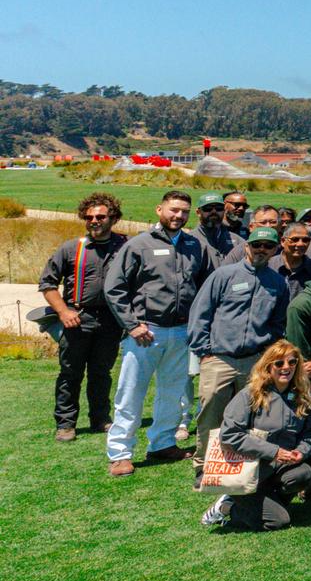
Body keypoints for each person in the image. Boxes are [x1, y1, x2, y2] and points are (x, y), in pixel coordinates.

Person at [103, 190, 211, 476]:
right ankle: (120, 453)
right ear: (159, 210)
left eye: (184, 211)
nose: (179, 216)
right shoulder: (139, 245)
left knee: (172, 392)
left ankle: (162, 444)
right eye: (173, 210)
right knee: (130, 394)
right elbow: (114, 288)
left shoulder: (194, 245)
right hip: (146, 332)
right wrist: (132, 324)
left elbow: (206, 288)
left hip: (182, 331)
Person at [189, 226, 292, 476]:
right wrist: (204, 351)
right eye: (256, 245)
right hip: (219, 358)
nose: (261, 250)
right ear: (247, 247)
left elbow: (278, 324)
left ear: (275, 250)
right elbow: (201, 314)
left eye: (268, 246)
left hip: (255, 361)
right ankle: (204, 464)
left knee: (250, 415)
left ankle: (242, 463)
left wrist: (268, 357)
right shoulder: (223, 275)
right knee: (211, 411)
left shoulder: (278, 283)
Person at [40, 191, 127, 442]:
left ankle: (100, 418)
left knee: (102, 373)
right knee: (70, 373)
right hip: (77, 318)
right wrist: (63, 311)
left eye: (100, 216)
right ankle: (66, 423)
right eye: (89, 217)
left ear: (113, 218)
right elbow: (47, 284)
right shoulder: (71, 248)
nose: (94, 221)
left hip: (111, 321)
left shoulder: (125, 246)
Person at [204, 340, 311, 531]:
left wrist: (301, 451)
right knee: (278, 521)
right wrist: (274, 452)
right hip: (246, 470)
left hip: (279, 469)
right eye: (279, 363)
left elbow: (309, 434)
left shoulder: (303, 398)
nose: (286, 367)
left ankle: (266, 504)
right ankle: (227, 507)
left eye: (292, 362)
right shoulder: (250, 395)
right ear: (268, 367)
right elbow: (230, 435)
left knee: (303, 474)